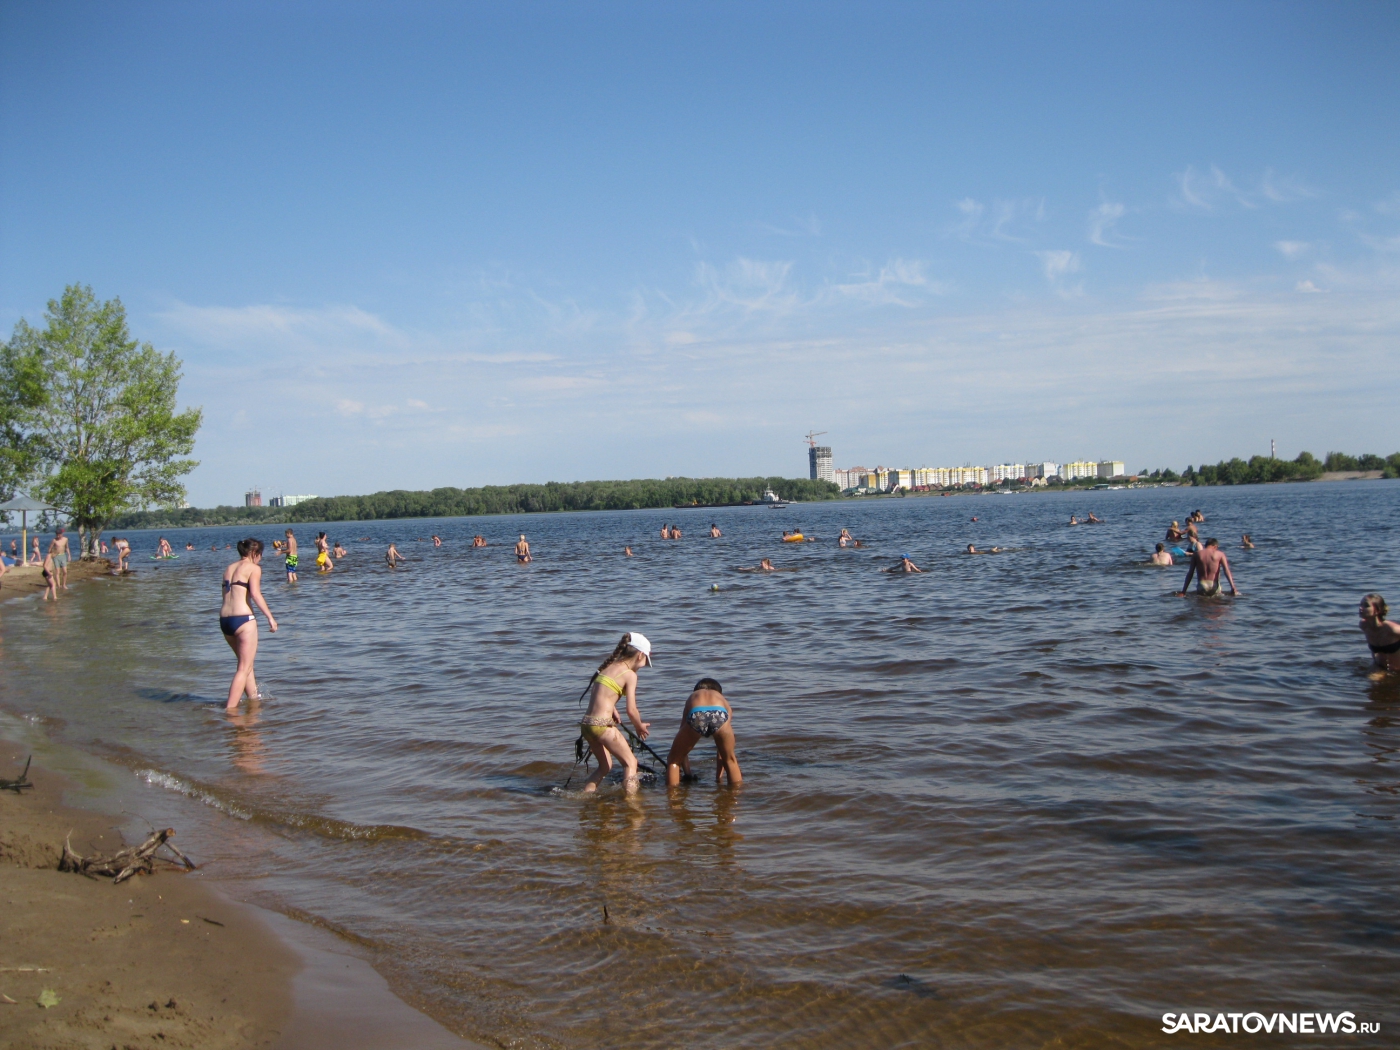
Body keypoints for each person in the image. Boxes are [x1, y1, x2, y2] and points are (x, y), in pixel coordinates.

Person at [577, 632, 654, 794]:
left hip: (587, 724)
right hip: (602, 725)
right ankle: (631, 804)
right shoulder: (630, 675)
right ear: (640, 655)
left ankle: (585, 797)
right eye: (646, 661)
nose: (643, 666)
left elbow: (602, 694)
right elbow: (632, 710)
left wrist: (613, 710)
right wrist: (639, 726)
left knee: (605, 767)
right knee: (631, 763)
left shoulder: (607, 667)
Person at [221, 538, 278, 711]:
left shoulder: (229, 568)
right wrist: (270, 617)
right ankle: (230, 710)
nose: (260, 559)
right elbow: (255, 594)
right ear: (254, 553)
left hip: (225, 620)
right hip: (244, 619)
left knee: (246, 665)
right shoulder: (254, 568)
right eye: (260, 555)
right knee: (243, 668)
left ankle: (253, 700)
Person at [665, 677, 742, 789]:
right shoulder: (723, 700)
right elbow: (721, 752)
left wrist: (688, 774)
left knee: (674, 760)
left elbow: (683, 749)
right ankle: (735, 796)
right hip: (720, 713)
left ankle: (674, 799)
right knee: (730, 760)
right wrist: (718, 778)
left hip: (697, 713)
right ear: (719, 692)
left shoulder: (693, 697)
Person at [1358, 594, 1400, 673]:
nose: (1361, 608)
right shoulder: (1364, 626)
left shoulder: (1391, 629)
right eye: (1360, 605)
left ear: (1377, 610)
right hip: (1379, 667)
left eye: (1366, 605)